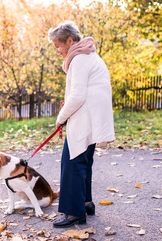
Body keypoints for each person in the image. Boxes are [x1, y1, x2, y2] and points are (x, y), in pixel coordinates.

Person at [49, 21, 115, 228]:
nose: (58, 51)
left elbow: (77, 96)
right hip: (93, 118)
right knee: (84, 161)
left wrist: (60, 118)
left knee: (72, 164)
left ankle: (73, 213)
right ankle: (86, 203)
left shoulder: (78, 59)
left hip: (84, 118)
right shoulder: (90, 56)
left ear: (70, 41)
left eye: (58, 46)